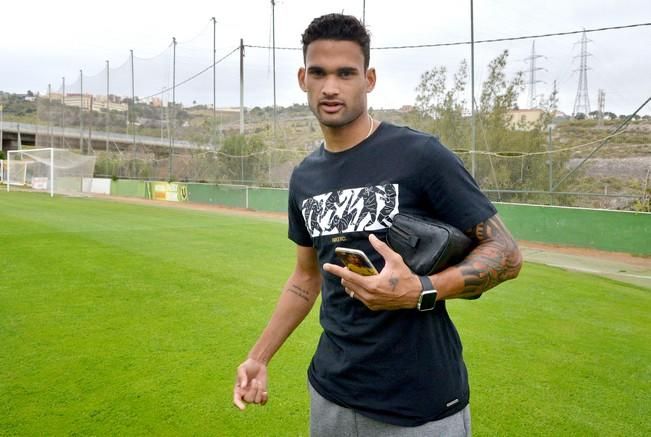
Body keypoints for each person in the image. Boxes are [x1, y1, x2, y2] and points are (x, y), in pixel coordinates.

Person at [233, 13, 522, 436]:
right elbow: (305, 277)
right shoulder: (305, 178)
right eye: (319, 73)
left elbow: (507, 254)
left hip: (420, 402)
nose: (331, 87)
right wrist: (259, 356)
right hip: (332, 392)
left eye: (345, 73)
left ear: (368, 79)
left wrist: (419, 291)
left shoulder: (421, 155)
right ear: (302, 78)